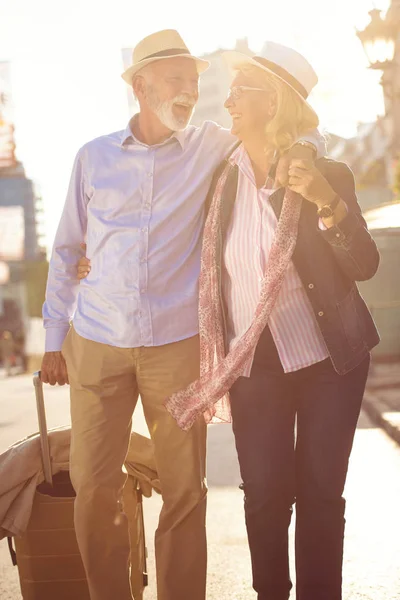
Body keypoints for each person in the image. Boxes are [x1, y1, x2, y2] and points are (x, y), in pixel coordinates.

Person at [42, 29, 324, 600]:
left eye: (193, 85)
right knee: (93, 488)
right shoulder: (92, 157)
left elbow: (289, 123)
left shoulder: (211, 145)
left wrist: (308, 152)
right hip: (96, 338)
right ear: (141, 86)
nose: (188, 94)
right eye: (175, 81)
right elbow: (68, 249)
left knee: (185, 490)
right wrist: (53, 337)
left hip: (177, 342)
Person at [165, 42, 380, 600]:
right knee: (263, 491)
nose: (229, 100)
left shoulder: (324, 171)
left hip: (330, 359)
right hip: (253, 360)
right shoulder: (221, 180)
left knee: (319, 492)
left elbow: (364, 264)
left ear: (274, 102)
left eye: (242, 91)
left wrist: (325, 198)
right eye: (231, 91)